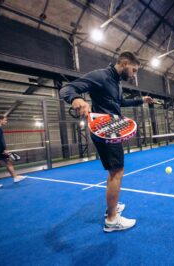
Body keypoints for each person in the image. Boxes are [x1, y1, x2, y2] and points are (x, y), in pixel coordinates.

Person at [60, 51, 153, 232]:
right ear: (125, 63)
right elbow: (66, 89)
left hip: (113, 129)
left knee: (115, 170)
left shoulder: (116, 84)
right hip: (104, 131)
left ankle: (112, 207)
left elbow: (120, 103)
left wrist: (141, 100)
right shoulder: (101, 76)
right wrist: (76, 99)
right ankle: (112, 220)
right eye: (134, 70)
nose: (134, 75)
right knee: (116, 172)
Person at [0, 115, 26, 190]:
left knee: (8, 162)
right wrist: (3, 149)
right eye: (5, 120)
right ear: (0, 120)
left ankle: (15, 177)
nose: (6, 121)